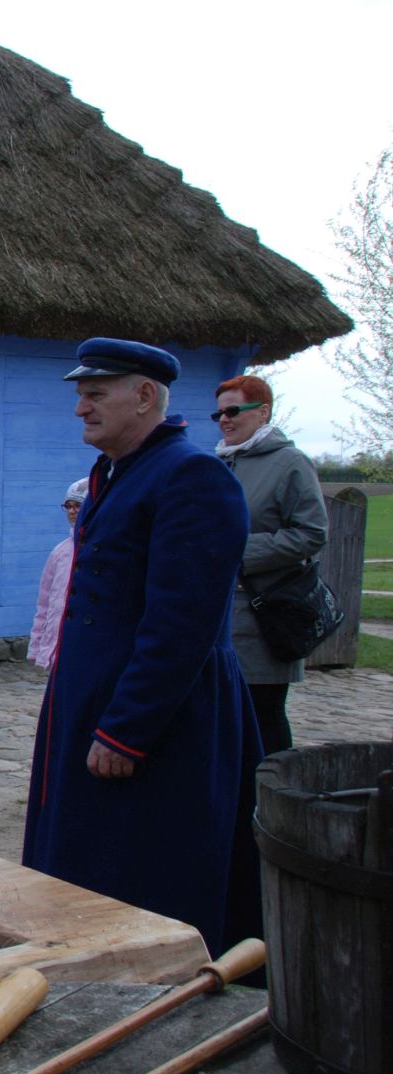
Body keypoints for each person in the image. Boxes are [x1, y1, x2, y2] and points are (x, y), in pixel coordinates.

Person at [22, 337, 260, 956]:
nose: (81, 408)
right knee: (86, 859)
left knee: (148, 867)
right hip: (90, 702)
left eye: (95, 394)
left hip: (162, 724)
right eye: (80, 395)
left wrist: (128, 729)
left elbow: (183, 622)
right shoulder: (113, 474)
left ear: (145, 396)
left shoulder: (190, 477)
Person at [213, 373, 328, 961]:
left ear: (263, 412)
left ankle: (274, 811)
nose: (225, 421)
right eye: (220, 414)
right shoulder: (222, 464)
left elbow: (311, 532)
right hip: (220, 623)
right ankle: (238, 816)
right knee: (230, 719)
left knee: (265, 720)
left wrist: (240, 554)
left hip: (261, 621)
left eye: (235, 412)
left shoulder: (287, 464)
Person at [27, 477, 90, 672]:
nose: (72, 511)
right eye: (68, 506)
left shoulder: (101, 550)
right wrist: (36, 645)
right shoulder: (60, 553)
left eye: (78, 505)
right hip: (57, 647)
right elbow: (45, 604)